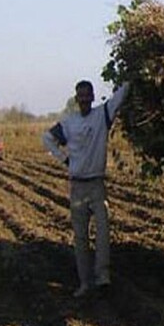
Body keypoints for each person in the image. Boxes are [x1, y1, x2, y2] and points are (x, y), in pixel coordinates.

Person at [42, 80, 130, 298]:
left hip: (96, 185)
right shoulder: (69, 123)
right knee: (80, 238)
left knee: (102, 233)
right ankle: (84, 283)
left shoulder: (102, 115)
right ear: (76, 98)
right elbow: (47, 138)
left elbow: (121, 96)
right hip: (77, 187)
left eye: (87, 95)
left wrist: (130, 78)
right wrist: (65, 160)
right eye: (80, 96)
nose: (84, 100)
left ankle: (102, 278)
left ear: (92, 97)